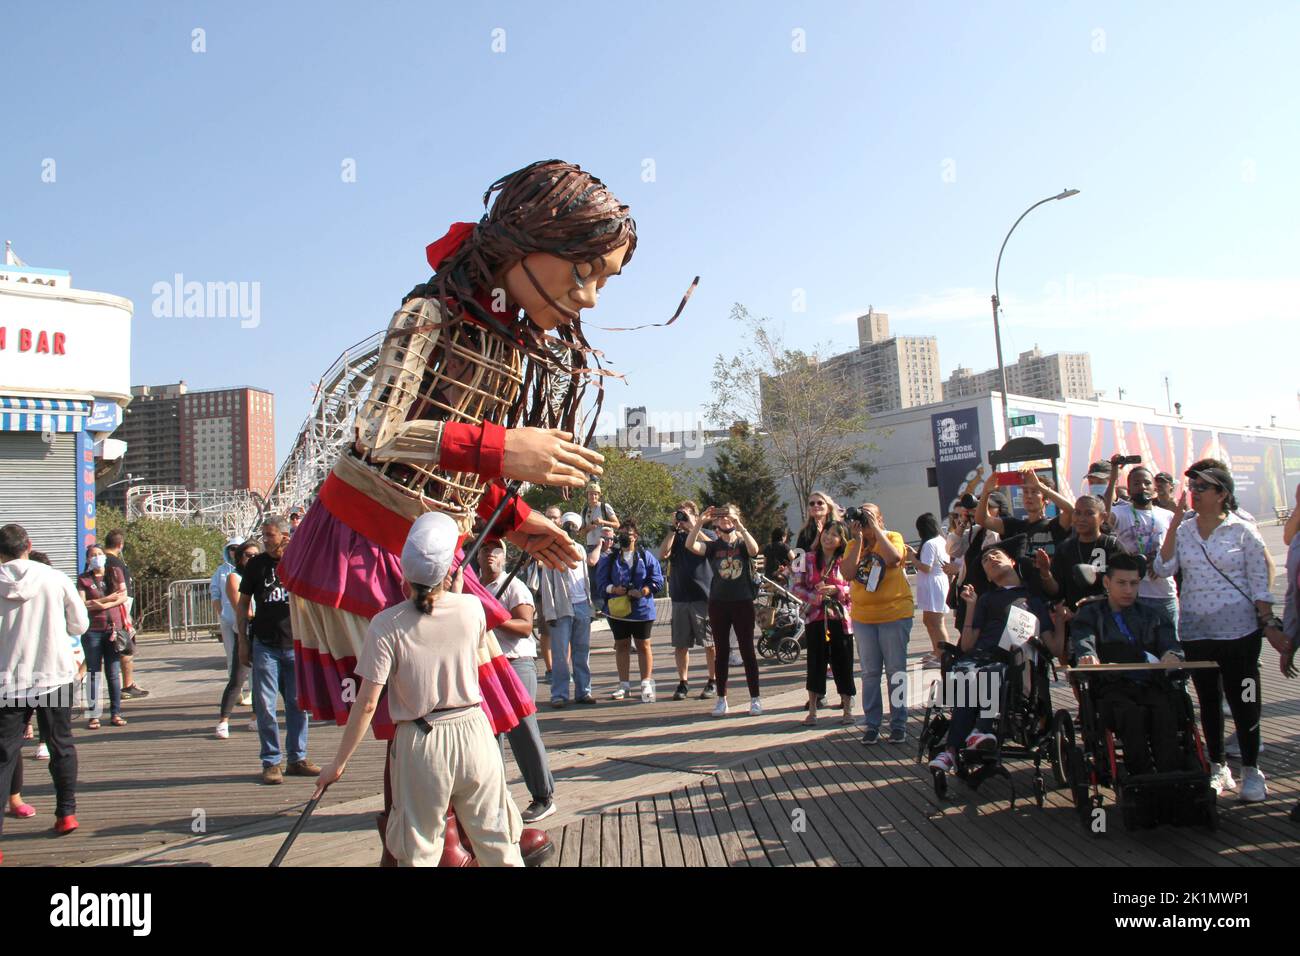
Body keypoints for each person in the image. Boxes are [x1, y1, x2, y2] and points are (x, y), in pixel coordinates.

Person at [276, 159, 645, 867]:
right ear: (524, 242)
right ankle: (432, 834)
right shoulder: (428, 315)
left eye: (605, 279)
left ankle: (482, 821)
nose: (590, 297)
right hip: (367, 535)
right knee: (427, 697)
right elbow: (379, 434)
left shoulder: (506, 343)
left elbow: (460, 468)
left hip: (425, 541)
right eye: (582, 271)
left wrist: (516, 520)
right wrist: (502, 448)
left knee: (468, 691)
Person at [315, 513, 526, 866]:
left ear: (404, 575)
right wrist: (454, 592)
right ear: (448, 573)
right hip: (475, 731)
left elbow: (367, 703)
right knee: (498, 842)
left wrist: (339, 763)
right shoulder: (472, 608)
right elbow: (455, 621)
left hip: (422, 740)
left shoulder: (386, 625)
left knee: (419, 849)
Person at [1153, 463, 1283, 802]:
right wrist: (1174, 522)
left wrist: (1268, 622)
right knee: (1208, 701)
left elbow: (1259, 582)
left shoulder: (1243, 531)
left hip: (1239, 631)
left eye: (1202, 487)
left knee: (1245, 700)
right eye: (1192, 487)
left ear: (1222, 494)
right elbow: (1162, 567)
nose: (1193, 492)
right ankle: (1218, 766)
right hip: (1197, 629)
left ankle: (1252, 770)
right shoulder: (1184, 530)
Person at [928, 534, 1058, 774]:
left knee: (989, 673)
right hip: (980, 657)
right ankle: (955, 749)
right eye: (986, 560)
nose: (991, 559)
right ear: (987, 576)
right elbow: (967, 645)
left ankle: (973, 736)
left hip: (1016, 659)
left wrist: (1060, 621)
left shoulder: (1032, 599)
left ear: (1013, 562)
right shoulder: (986, 599)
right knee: (965, 675)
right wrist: (971, 606)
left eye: (996, 555)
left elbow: (1054, 647)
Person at [0, 524, 88, 848]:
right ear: (29, 545)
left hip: (8, 681)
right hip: (55, 674)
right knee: (60, 743)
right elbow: (80, 623)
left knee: (5, 754)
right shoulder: (55, 578)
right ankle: (66, 813)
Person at [1070, 553, 1186, 776]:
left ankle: (1171, 775)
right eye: (1121, 583)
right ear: (1107, 582)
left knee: (1165, 711)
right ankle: (1139, 775)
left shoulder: (1152, 615)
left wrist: (1172, 654)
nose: (1128, 590)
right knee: (1129, 714)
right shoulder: (1090, 614)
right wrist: (1088, 656)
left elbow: (1169, 642)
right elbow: (1084, 639)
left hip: (1150, 684)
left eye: (1133, 584)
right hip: (1113, 686)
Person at [477, 541, 556, 823]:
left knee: (523, 730)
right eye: (485, 549)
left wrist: (494, 618)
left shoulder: (514, 587)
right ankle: (496, 798)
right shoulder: (472, 586)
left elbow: (525, 627)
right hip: (484, 664)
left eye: (496, 550)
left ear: (505, 557)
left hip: (514, 663)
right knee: (488, 735)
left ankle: (543, 796)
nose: (490, 554)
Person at [239, 516, 319, 785]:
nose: (265, 540)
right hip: (265, 644)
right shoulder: (257, 565)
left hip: (295, 643)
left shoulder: (298, 562)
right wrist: (242, 641)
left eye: (270, 535)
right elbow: (243, 603)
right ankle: (271, 761)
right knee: (265, 704)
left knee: (298, 704)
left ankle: (297, 757)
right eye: (264, 535)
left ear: (285, 536)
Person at [841, 504, 912, 744]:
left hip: (894, 613)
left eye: (870, 514)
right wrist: (859, 539)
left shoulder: (893, 537)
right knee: (870, 673)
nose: (865, 519)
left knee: (896, 670)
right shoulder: (853, 545)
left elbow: (893, 559)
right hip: (864, 618)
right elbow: (848, 573)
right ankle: (872, 724)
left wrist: (877, 530)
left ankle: (899, 722)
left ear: (880, 518)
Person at [687, 504, 763, 716]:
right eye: (721, 518)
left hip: (743, 601)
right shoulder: (713, 546)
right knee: (721, 652)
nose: (725, 520)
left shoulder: (742, 542)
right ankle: (722, 699)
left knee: (747, 650)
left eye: (728, 516)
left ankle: (755, 698)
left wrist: (739, 525)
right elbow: (691, 545)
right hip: (719, 602)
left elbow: (754, 550)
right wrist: (700, 522)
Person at [791, 520, 854, 725]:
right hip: (815, 617)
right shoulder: (806, 558)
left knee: (843, 662)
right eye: (826, 532)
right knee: (815, 662)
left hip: (840, 618)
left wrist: (838, 590)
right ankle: (812, 710)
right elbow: (796, 587)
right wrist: (816, 595)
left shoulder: (846, 560)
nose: (828, 537)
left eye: (834, 534)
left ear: (841, 540)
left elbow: (854, 587)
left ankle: (847, 709)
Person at [1104, 459, 1178, 628]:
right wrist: (1114, 476)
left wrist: (1159, 563)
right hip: (1132, 595)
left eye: (1147, 483)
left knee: (1169, 648)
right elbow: (1105, 514)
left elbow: (1176, 551)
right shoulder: (1121, 513)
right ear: (1129, 489)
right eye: (1136, 483)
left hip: (1163, 594)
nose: (1142, 487)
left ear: (1155, 488)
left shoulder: (1167, 516)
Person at [595, 520, 663, 702]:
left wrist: (643, 591)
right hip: (618, 609)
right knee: (622, 645)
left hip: (641, 609)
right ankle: (623, 684)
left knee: (644, 645)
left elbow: (657, 580)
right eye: (622, 533)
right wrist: (613, 589)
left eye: (629, 533)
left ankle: (646, 683)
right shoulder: (609, 559)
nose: (625, 537)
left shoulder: (646, 556)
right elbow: (600, 584)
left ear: (636, 536)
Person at [660, 501, 716, 700]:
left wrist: (695, 526)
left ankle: (712, 679)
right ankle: (683, 682)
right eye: (680, 515)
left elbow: (711, 548)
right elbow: (663, 554)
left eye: (685, 515)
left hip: (703, 595)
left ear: (695, 515)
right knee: (681, 644)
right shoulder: (676, 536)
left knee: (710, 642)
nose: (682, 519)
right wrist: (674, 530)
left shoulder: (707, 534)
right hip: (680, 596)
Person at [539, 512, 595, 708]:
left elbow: (586, 580)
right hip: (562, 607)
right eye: (567, 525)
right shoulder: (552, 549)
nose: (570, 528)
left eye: (573, 526)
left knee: (582, 651)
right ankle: (559, 694)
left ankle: (584, 691)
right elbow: (546, 583)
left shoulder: (580, 549)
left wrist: (590, 608)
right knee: (561, 653)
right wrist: (549, 611)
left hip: (582, 606)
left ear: (578, 530)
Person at [1034, 495, 1123, 609]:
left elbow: (1124, 583)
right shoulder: (1065, 548)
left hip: (1108, 616)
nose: (1081, 518)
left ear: (1103, 517)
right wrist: (1045, 572)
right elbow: (1056, 591)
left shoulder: (1112, 546)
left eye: (1089, 513)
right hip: (1075, 619)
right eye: (1077, 512)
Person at [77, 544, 128, 729]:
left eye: (99, 554)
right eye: (93, 555)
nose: (97, 557)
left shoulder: (114, 572)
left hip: (113, 629)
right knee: (93, 673)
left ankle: (116, 713)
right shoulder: (83, 579)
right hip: (92, 631)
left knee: (113, 673)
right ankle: (93, 715)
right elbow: (82, 603)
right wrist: (107, 600)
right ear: (88, 559)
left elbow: (123, 596)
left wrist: (100, 604)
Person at [214, 540, 258, 739]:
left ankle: (256, 717)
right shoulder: (234, 577)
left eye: (256, 555)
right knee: (238, 678)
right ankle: (224, 720)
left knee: (260, 680)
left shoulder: (262, 575)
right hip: (245, 632)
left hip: (263, 633)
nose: (252, 559)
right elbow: (243, 608)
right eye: (248, 555)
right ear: (240, 557)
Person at [976, 468, 1073, 557]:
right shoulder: (1015, 526)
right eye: (1025, 492)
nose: (1029, 496)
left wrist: (1040, 486)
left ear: (1046, 499)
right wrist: (985, 492)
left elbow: (1070, 510)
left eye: (1035, 491)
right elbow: (982, 520)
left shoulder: (1054, 525)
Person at [943, 492, 1004, 632]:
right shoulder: (976, 531)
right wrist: (963, 521)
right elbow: (952, 549)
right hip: (969, 597)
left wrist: (987, 519)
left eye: (987, 506)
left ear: (999, 509)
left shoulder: (998, 532)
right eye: (980, 506)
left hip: (989, 595)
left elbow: (993, 549)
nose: (982, 509)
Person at [102, 529, 147, 700]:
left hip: (101, 614)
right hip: (119, 612)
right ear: (120, 545)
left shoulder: (97, 562)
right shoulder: (116, 563)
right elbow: (123, 591)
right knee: (125, 649)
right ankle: (127, 685)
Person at [913, 512, 952, 668]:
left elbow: (926, 567)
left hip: (933, 584)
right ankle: (937, 650)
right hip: (934, 583)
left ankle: (944, 655)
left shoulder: (930, 543)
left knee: (936, 621)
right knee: (929, 620)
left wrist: (912, 559)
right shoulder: (940, 540)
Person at [581, 482, 620, 587]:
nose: (593, 496)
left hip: (605, 547)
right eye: (591, 494)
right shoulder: (585, 510)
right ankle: (596, 602)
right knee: (593, 580)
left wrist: (603, 522)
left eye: (595, 494)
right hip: (591, 547)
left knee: (607, 576)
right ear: (587, 495)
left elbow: (617, 524)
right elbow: (581, 533)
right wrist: (588, 527)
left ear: (599, 495)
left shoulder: (604, 507)